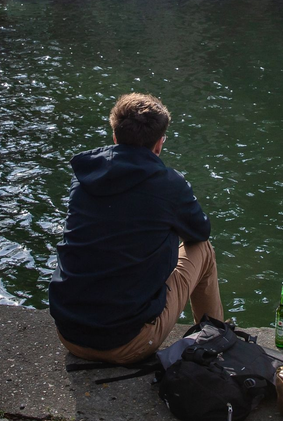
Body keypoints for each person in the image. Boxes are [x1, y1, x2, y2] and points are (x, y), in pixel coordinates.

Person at [49, 93, 223, 365]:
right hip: (128, 343)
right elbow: (200, 232)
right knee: (203, 249)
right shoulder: (169, 185)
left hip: (69, 334)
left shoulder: (83, 177)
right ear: (159, 144)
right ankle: (218, 342)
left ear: (114, 137)